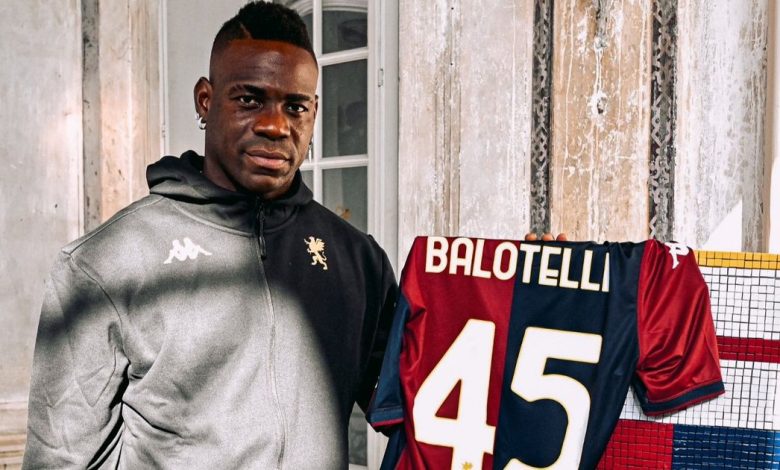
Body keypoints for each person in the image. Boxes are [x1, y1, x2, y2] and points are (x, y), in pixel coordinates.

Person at [23, 3, 397, 469]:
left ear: (314, 112)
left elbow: (426, 402)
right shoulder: (107, 262)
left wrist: (491, 294)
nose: (275, 126)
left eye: (295, 106)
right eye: (250, 100)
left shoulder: (357, 259)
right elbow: (60, 460)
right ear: (205, 99)